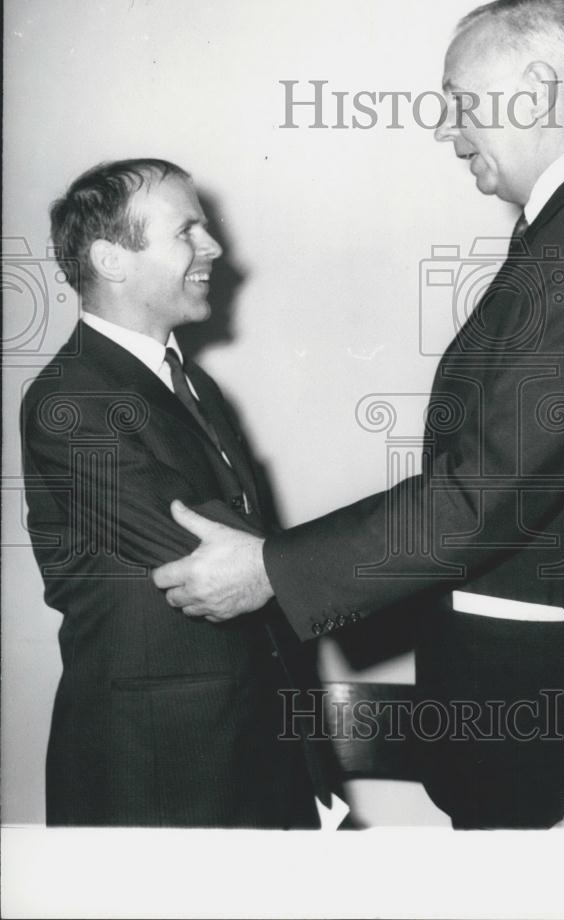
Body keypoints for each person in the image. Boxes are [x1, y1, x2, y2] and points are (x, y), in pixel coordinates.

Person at [152, 0, 564, 832]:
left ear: (538, 88)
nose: (449, 133)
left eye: (458, 102)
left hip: (563, 734)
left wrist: (274, 569)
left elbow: (486, 491)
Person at [22, 158, 341, 827]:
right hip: (160, 773)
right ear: (111, 259)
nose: (214, 247)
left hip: (249, 753)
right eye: (187, 231)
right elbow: (205, 549)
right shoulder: (70, 399)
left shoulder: (192, 384)